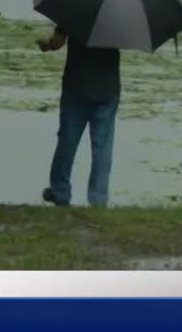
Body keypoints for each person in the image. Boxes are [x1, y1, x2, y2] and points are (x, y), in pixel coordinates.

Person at [36, 25, 120, 207]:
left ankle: (60, 191)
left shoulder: (74, 4)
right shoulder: (120, 11)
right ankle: (98, 197)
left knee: (68, 139)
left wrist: (46, 44)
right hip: (108, 86)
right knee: (102, 146)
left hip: (77, 84)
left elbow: (57, 42)